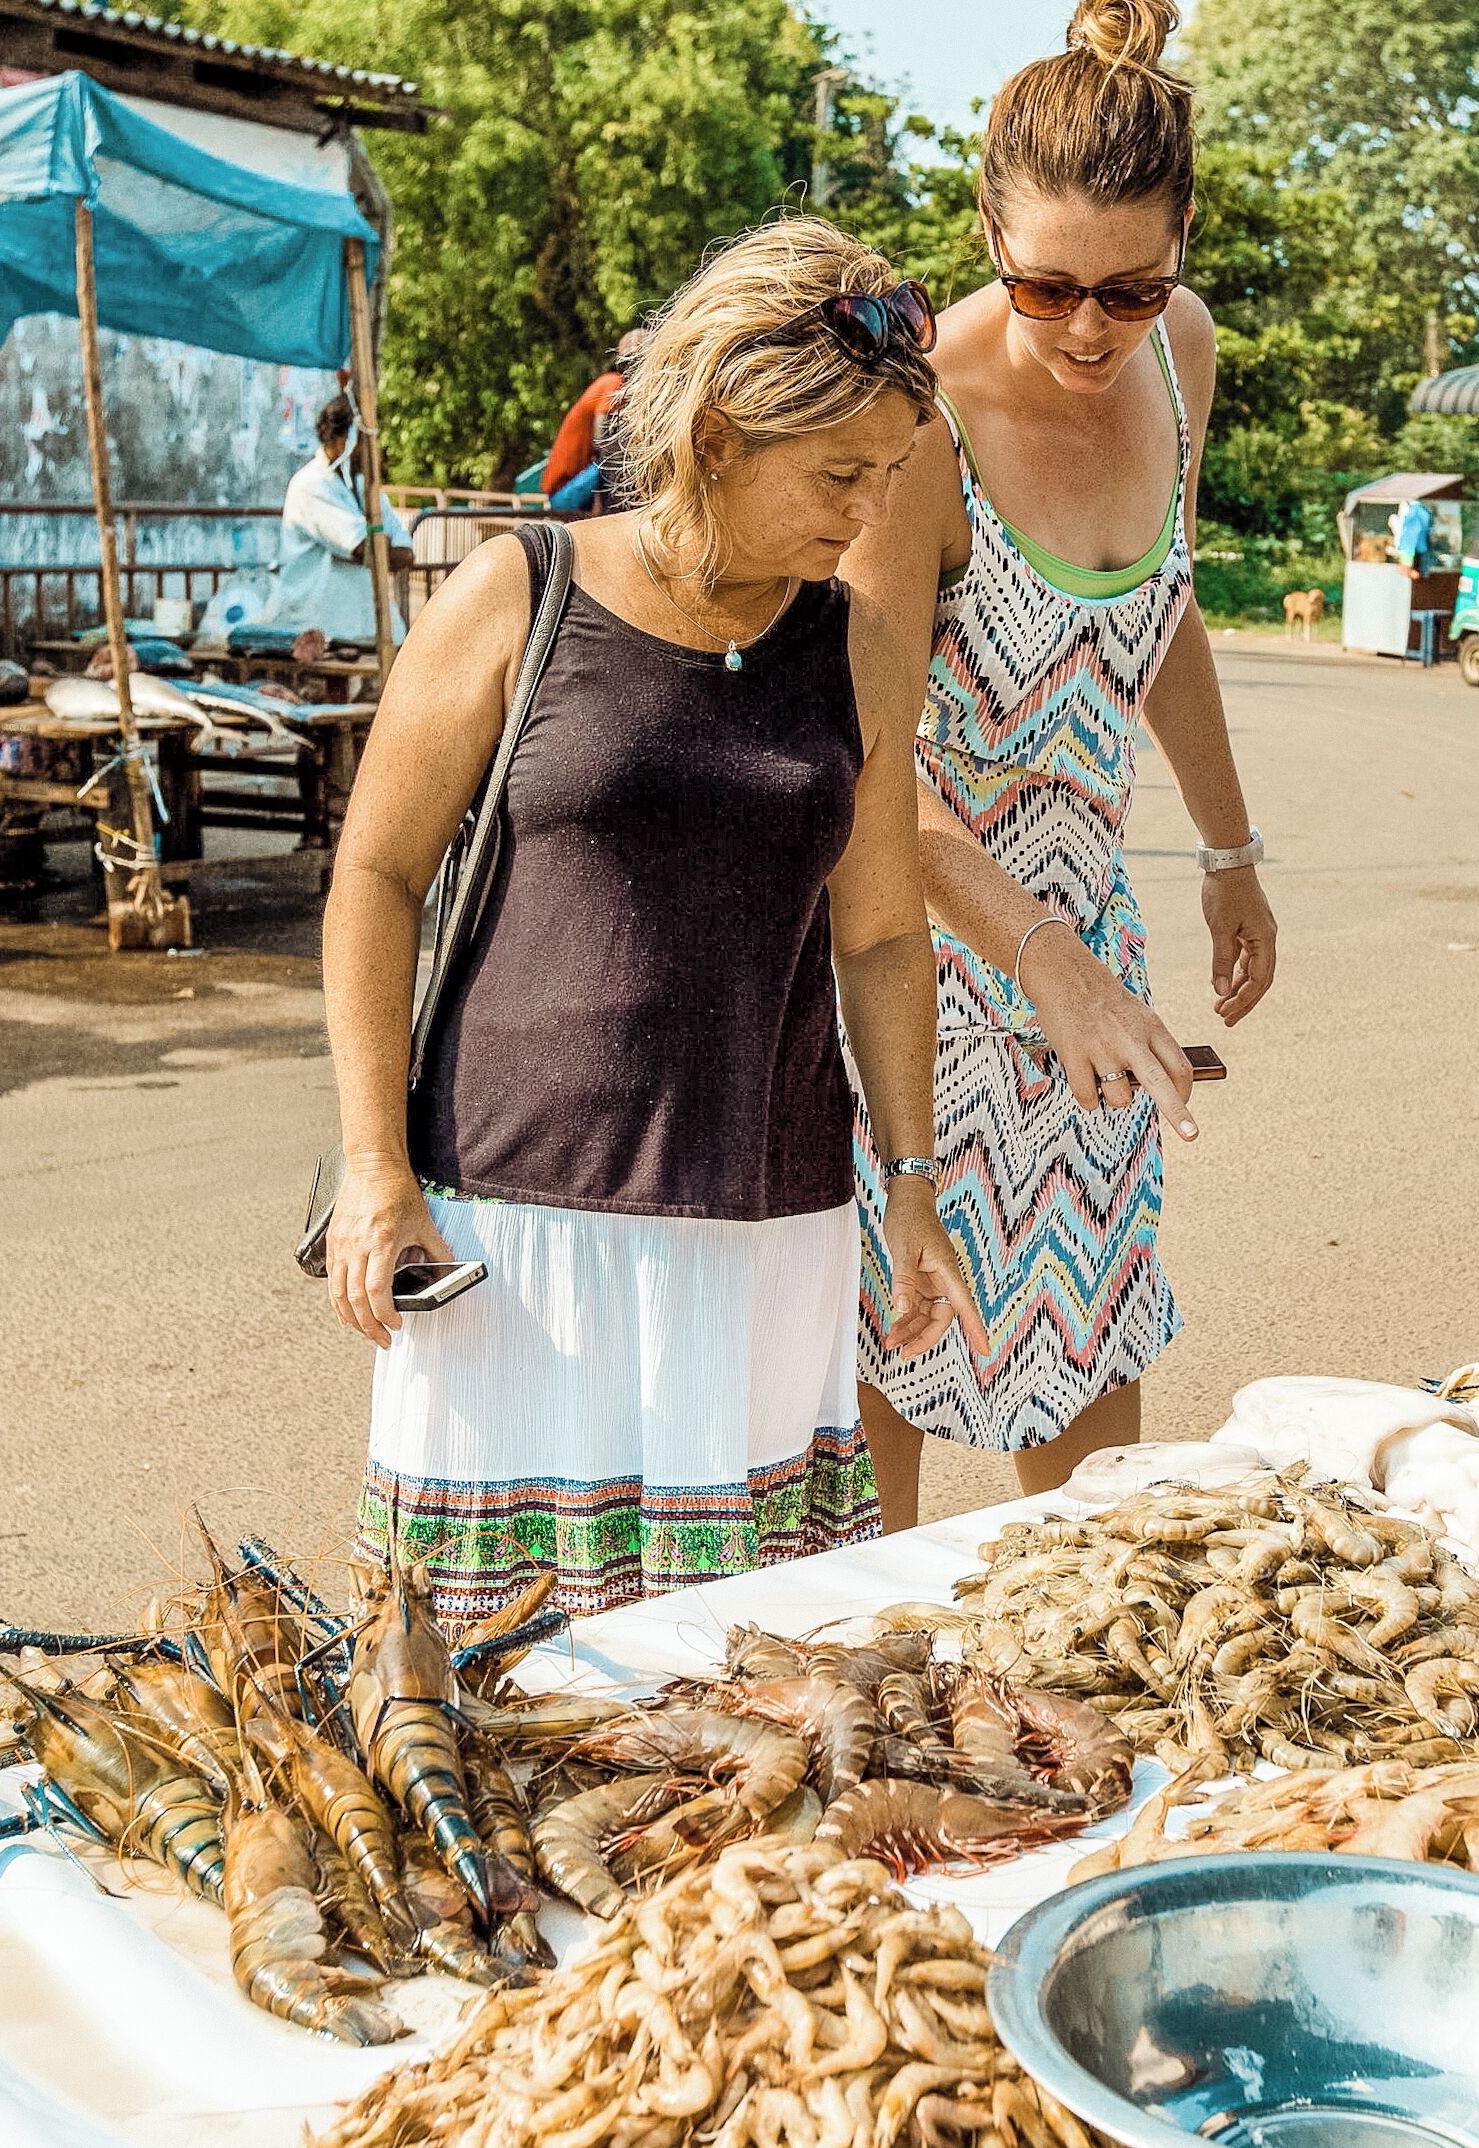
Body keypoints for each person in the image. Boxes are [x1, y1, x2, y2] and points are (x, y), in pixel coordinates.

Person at [319, 219, 984, 1622]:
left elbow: (876, 937)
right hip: (517, 1229)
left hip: (764, 1224)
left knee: (734, 1691)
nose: (869, 512)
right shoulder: (519, 593)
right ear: (723, 436)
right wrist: (378, 1164)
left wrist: (912, 1185)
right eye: (839, 472)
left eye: (889, 474)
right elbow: (375, 878)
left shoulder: (856, 639)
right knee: (489, 1687)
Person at [839, 0, 1278, 1526]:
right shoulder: (914, 422)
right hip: (909, 957)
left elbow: (1163, 615)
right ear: (983, 231)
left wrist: (1229, 850)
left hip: (1084, 945)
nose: (1090, 330)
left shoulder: (1184, 357)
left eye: (1131, 289)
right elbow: (865, 762)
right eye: (1046, 286)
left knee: (1092, 1466)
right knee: (875, 1410)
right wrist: (1038, 961)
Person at [276, 393, 409, 649]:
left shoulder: (362, 485)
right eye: (363, 439)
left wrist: (380, 547)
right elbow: (363, 548)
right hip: (321, 626)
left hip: (367, 624)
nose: (371, 448)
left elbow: (406, 552)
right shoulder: (310, 484)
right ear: (340, 439)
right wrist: (376, 548)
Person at [540, 328, 651, 513]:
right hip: (565, 493)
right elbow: (603, 443)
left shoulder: (621, 389)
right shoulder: (613, 384)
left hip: (577, 486)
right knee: (619, 460)